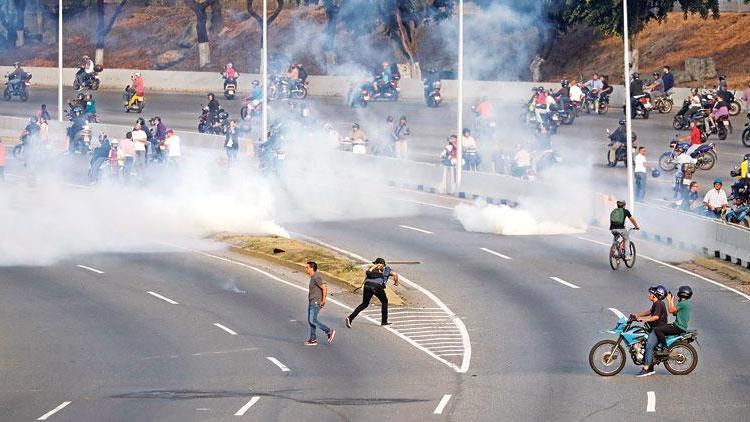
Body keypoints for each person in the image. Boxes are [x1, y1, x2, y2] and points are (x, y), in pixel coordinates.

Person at [346, 258, 400, 328]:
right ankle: (384, 321)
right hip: (377, 286)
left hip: (367, 285)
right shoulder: (386, 269)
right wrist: (396, 282)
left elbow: (367, 274)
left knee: (364, 304)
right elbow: (395, 274)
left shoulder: (371, 269)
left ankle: (350, 318)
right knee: (384, 301)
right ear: (383, 264)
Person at [633, 285, 668, 377]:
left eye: (650, 294)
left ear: (655, 295)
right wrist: (637, 315)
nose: (649, 295)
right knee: (644, 342)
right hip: (654, 328)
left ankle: (646, 369)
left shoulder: (659, 304)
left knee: (649, 345)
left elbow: (656, 317)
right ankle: (651, 366)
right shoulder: (656, 304)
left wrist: (643, 320)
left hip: (658, 329)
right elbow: (650, 311)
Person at [653, 286, 692, 351]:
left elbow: (670, 310)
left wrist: (668, 300)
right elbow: (674, 313)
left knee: (658, 330)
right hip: (678, 326)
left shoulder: (683, 303)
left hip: (678, 327)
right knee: (662, 327)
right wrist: (671, 301)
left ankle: (665, 348)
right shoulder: (685, 303)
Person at [305, 261, 335, 346]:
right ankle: (313, 339)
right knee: (311, 321)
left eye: (307, 267)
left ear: (311, 268)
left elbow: (324, 288)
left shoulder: (316, 277)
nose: (306, 269)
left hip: (315, 302)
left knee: (312, 320)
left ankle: (329, 331)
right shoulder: (313, 277)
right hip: (312, 301)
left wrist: (323, 300)